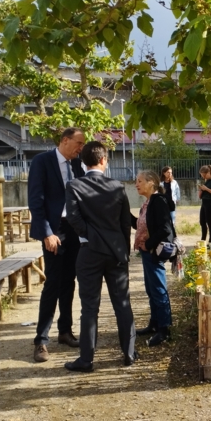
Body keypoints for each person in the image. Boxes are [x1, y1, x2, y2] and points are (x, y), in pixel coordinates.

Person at [63, 141, 136, 372]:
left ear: (82, 162)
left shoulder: (74, 185)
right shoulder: (117, 186)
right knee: (122, 304)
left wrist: (91, 236)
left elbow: (73, 219)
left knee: (89, 307)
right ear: (104, 160)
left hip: (89, 253)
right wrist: (124, 250)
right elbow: (126, 222)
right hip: (116, 252)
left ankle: (86, 359)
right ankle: (129, 353)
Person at [28, 127, 86, 363]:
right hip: (55, 230)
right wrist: (47, 233)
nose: (81, 148)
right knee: (53, 282)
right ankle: (41, 340)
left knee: (69, 282)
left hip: (74, 229)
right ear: (65, 140)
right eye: (79, 143)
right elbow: (35, 200)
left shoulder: (77, 165)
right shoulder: (42, 162)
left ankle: (65, 331)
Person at [132, 170, 175, 347]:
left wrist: (149, 244)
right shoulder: (148, 203)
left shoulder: (158, 201)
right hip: (146, 252)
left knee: (158, 290)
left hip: (153, 252)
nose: (137, 184)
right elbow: (140, 225)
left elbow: (165, 228)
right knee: (151, 290)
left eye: (140, 181)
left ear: (151, 183)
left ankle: (164, 330)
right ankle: (155, 324)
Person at [197, 165, 211, 249]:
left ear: (208, 172)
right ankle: (203, 240)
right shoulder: (206, 181)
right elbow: (200, 195)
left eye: (203, 174)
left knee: (210, 222)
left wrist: (206, 189)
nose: (202, 176)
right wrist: (201, 190)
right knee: (202, 222)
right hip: (204, 202)